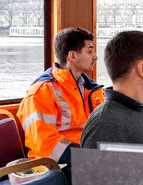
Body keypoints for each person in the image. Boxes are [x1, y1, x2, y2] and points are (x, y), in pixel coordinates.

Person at [16, 28, 104, 164]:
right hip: (56, 165)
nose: (95, 56)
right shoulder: (40, 92)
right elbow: (44, 144)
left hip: (87, 157)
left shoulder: (91, 89)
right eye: (90, 51)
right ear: (73, 56)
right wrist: (88, 156)